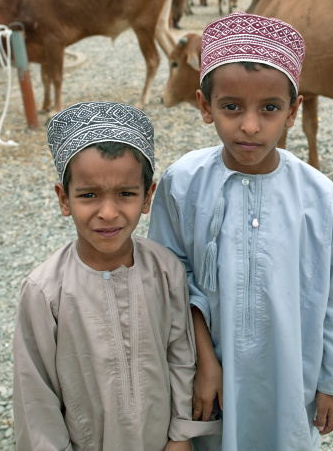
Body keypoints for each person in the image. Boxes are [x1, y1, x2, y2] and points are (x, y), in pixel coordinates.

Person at [148, 12, 333, 450]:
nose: (250, 126)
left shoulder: (317, 194)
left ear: (293, 111)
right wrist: (205, 363)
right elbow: (168, 279)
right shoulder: (183, 182)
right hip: (206, 375)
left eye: (269, 108)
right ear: (204, 106)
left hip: (292, 377)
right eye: (232, 107)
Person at [12, 102, 220, 450]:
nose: (108, 213)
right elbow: (34, 392)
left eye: (125, 194)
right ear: (64, 200)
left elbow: (180, 356)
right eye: (89, 195)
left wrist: (181, 434)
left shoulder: (165, 270)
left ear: (147, 196)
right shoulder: (45, 292)